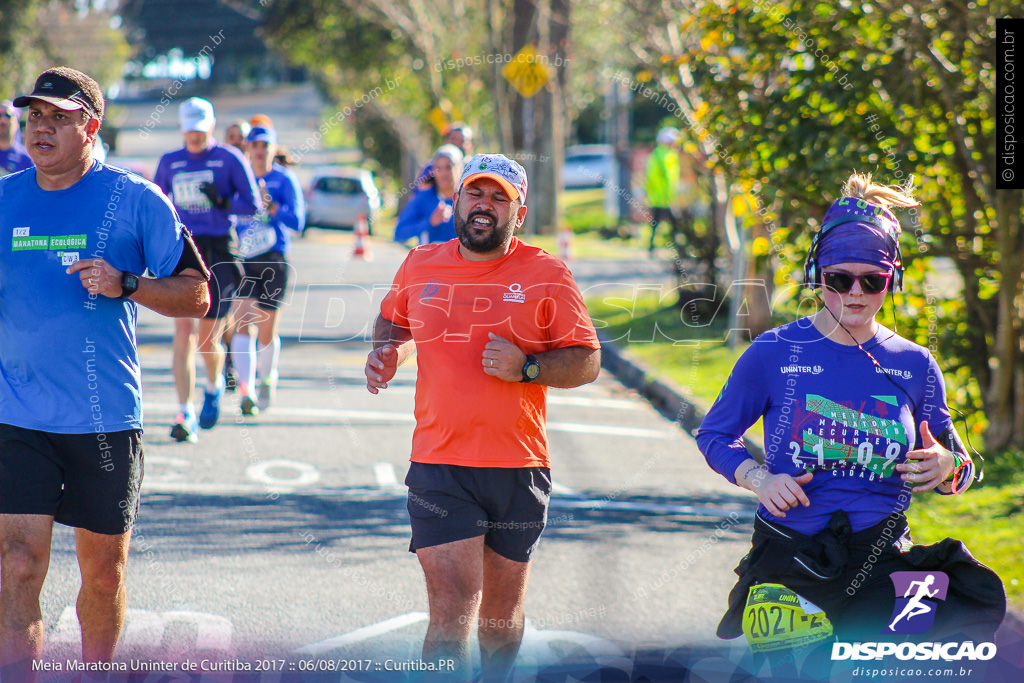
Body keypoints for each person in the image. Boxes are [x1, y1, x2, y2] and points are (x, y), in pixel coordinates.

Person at [695, 173, 1004, 666]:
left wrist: (947, 467)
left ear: (893, 279)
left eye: (872, 280)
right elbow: (714, 435)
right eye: (839, 279)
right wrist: (758, 478)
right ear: (818, 275)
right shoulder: (775, 352)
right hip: (789, 556)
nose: (854, 294)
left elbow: (961, 467)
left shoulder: (915, 364)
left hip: (881, 561)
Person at [0, 66, 210, 680]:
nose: (42, 127)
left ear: (90, 127)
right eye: (35, 115)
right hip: (17, 413)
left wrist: (129, 284)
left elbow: (199, 294)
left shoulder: (136, 199)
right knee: (16, 564)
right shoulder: (5, 198)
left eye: (59, 117)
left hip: (103, 419)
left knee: (103, 573)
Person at [364, 154, 601, 681]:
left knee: (498, 621)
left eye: (499, 198)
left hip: (518, 465)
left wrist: (529, 367)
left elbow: (586, 360)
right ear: (458, 198)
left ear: (518, 209)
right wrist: (387, 354)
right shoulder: (420, 263)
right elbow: (393, 323)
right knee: (451, 609)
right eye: (476, 193)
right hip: (439, 464)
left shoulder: (546, 273)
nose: (483, 207)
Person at [155, 97, 261, 441]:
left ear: (211, 127)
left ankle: (213, 387)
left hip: (218, 251)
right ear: (182, 129)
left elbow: (253, 205)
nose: (195, 138)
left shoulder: (230, 158)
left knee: (206, 338)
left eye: (201, 131)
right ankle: (184, 411)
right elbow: (156, 204)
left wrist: (224, 201)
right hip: (183, 249)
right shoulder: (170, 161)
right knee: (183, 332)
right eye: (190, 131)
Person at [231, 125, 305, 413]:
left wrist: (273, 207)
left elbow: (298, 221)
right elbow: (231, 211)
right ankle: (246, 390)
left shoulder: (284, 179)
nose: (260, 151)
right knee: (241, 322)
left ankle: (267, 378)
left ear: (273, 150)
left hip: (274, 259)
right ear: (248, 149)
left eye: (265, 146)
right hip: (244, 258)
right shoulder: (241, 177)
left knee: (266, 330)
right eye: (255, 146)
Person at [394, 144, 463, 245]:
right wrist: (429, 222)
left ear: (460, 169)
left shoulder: (469, 199)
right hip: (429, 260)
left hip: (460, 260)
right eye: (438, 168)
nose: (443, 173)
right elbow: (399, 233)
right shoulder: (423, 197)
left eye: (448, 167)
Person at [644, 126, 681, 255]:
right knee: (663, 223)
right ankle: (655, 247)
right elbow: (659, 177)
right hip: (662, 197)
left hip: (665, 197)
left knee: (667, 224)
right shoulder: (662, 155)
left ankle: (657, 247)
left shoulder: (667, 154)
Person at [0, 99, 33, 177]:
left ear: (17, 122)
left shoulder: (26, 160)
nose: (2, 120)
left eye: (8, 115)